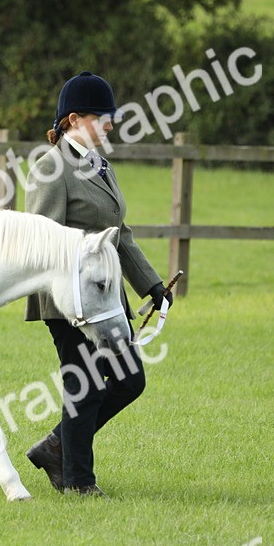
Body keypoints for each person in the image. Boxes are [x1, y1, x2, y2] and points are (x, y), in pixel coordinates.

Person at [23, 70, 173, 497]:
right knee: (83, 388)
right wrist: (67, 296)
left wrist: (152, 286)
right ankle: (79, 482)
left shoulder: (99, 164)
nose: (110, 125)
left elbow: (119, 232)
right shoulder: (51, 169)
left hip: (106, 296)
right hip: (70, 300)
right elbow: (42, 239)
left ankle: (56, 447)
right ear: (74, 119)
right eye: (103, 118)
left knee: (129, 381)